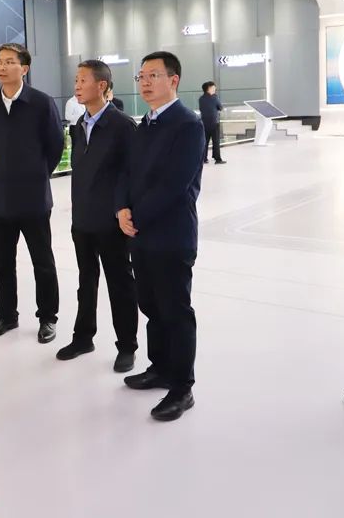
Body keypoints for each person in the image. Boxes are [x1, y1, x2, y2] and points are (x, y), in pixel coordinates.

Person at [117, 51, 205, 422]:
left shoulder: (187, 125)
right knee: (151, 306)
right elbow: (126, 172)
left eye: (153, 75)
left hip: (171, 234)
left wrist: (136, 216)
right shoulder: (145, 124)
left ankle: (182, 386)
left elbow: (174, 184)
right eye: (141, 76)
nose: (145, 82)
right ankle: (160, 368)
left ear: (174, 79)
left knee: (175, 310)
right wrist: (121, 208)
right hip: (141, 234)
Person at [56, 60, 139, 372]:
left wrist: (122, 209)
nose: (77, 86)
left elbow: (131, 175)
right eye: (76, 80)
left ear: (101, 85)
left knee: (120, 284)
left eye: (83, 80)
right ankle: (83, 337)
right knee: (85, 281)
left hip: (112, 222)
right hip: (83, 220)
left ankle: (127, 346)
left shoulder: (122, 126)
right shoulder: (80, 125)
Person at [0, 43, 64, 343]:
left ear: (24, 68)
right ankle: (7, 316)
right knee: (3, 263)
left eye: (9, 62)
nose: (2, 67)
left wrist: (36, 173)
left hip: (33, 198)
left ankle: (47, 318)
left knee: (42, 262)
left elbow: (55, 145)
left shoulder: (41, 102)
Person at [199, 81, 226, 164]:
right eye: (213, 87)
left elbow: (202, 109)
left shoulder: (201, 99)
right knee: (216, 141)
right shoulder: (214, 98)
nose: (215, 89)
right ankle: (217, 159)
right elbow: (220, 107)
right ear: (209, 88)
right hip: (214, 123)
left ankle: (204, 158)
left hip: (204, 123)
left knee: (205, 142)